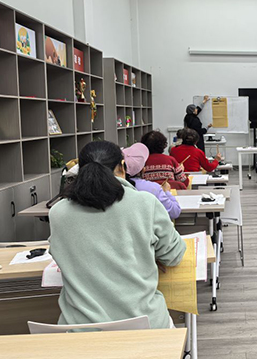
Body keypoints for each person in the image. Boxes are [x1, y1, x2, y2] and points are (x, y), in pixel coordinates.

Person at [48, 141, 187, 329]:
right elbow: (174, 255)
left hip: (80, 330)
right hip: (144, 324)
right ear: (122, 167)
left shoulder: (58, 212)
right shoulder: (145, 203)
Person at [123, 142, 181, 219]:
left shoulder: (113, 186)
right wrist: (167, 192)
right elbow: (174, 212)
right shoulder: (153, 188)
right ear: (143, 169)